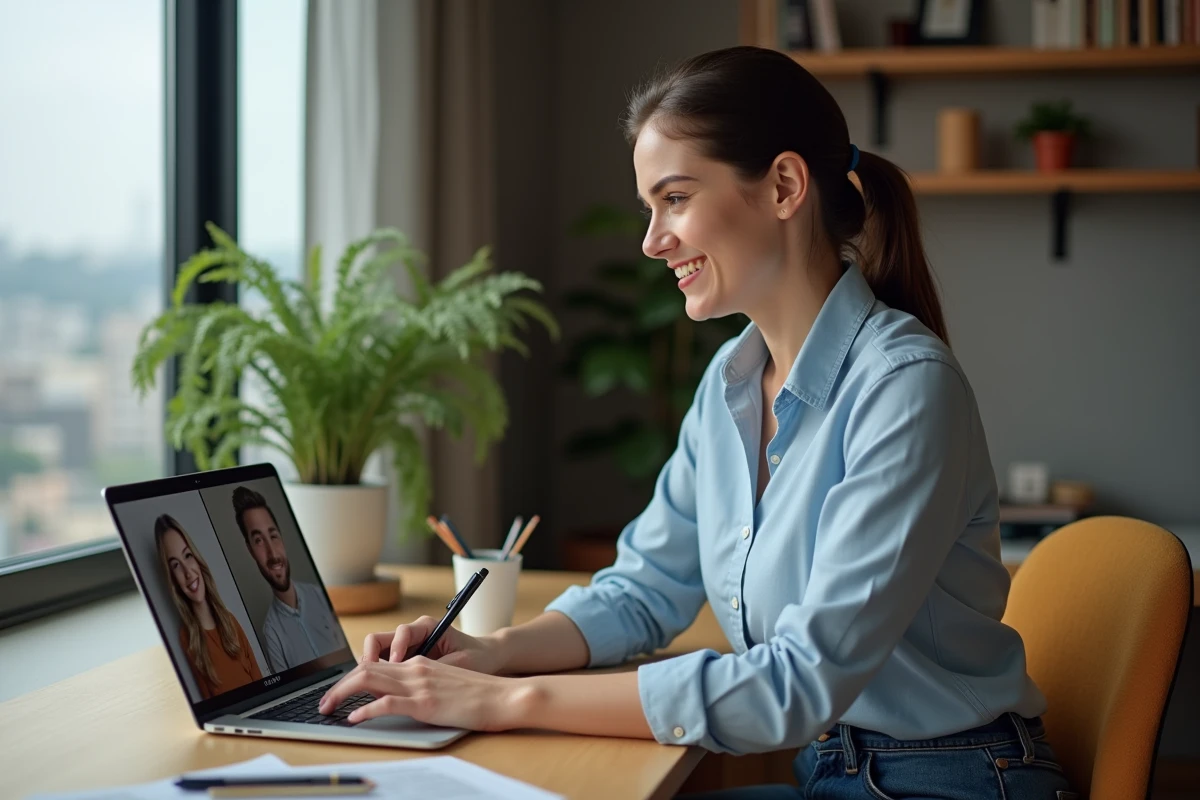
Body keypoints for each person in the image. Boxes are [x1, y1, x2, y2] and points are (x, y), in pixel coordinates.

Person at [318, 46, 1077, 799]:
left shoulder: (904, 390)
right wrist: (488, 653)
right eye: (650, 208)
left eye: (674, 199)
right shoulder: (728, 386)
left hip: (954, 782)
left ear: (783, 185)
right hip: (837, 773)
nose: (652, 240)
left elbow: (798, 683)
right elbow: (643, 590)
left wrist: (506, 701)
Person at [232, 485, 345, 673]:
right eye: (259, 540)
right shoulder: (272, 632)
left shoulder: (321, 596)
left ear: (282, 538)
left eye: (273, 536)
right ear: (250, 549)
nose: (272, 552)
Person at [154, 514, 262, 700]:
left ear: (197, 559)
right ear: (172, 578)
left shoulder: (230, 621)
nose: (188, 572)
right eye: (176, 565)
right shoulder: (188, 638)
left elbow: (263, 687)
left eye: (188, 556)